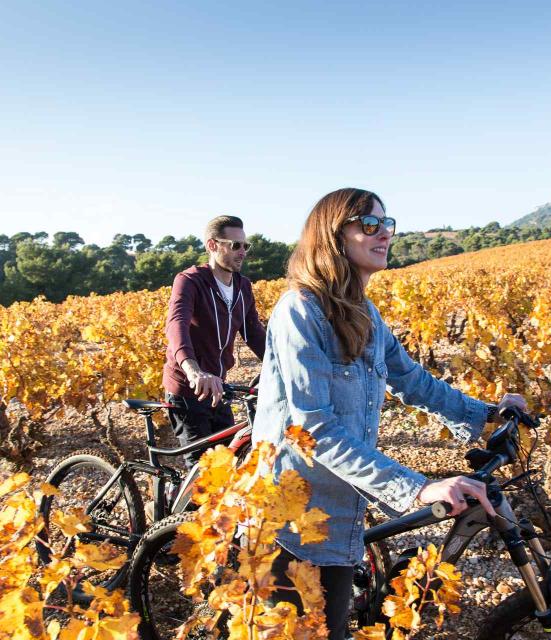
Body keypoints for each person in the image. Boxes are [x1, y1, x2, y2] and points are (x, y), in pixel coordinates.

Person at [251, 188, 527, 638]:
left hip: (339, 509)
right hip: (294, 518)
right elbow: (313, 428)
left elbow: (412, 380)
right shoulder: (300, 311)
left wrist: (488, 413)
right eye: (369, 224)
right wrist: (417, 489)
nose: (384, 234)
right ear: (333, 235)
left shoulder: (364, 312)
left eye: (387, 223)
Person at [163, 215, 266, 468]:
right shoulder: (190, 281)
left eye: (245, 246)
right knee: (203, 476)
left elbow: (254, 333)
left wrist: (284, 367)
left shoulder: (243, 286)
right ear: (212, 245)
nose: (242, 252)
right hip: (188, 389)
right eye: (235, 245)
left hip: (218, 389)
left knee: (228, 465)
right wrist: (193, 370)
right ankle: (181, 506)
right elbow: (177, 324)